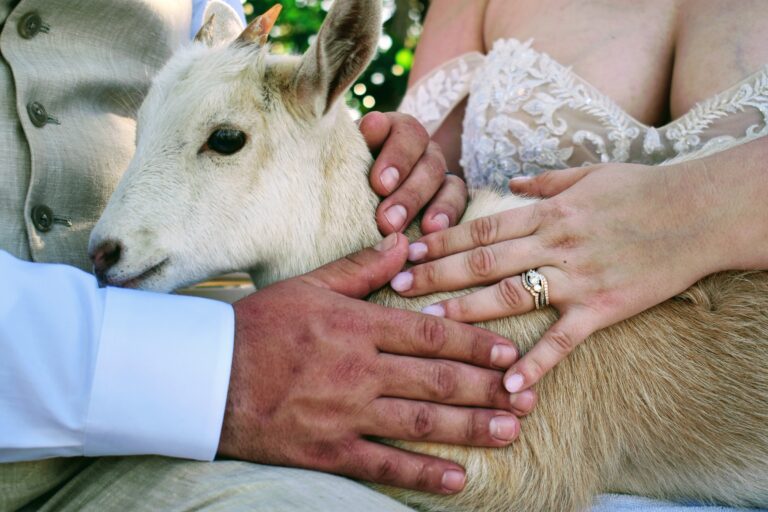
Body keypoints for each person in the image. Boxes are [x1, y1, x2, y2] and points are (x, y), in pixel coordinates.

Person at [0, 1, 528, 510]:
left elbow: (220, 52)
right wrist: (215, 369)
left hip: (160, 442)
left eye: (225, 140)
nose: (102, 240)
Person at [395, 0, 768, 509]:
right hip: (503, 416)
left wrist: (681, 211)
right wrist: (426, 188)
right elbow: (414, 186)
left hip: (741, 437)